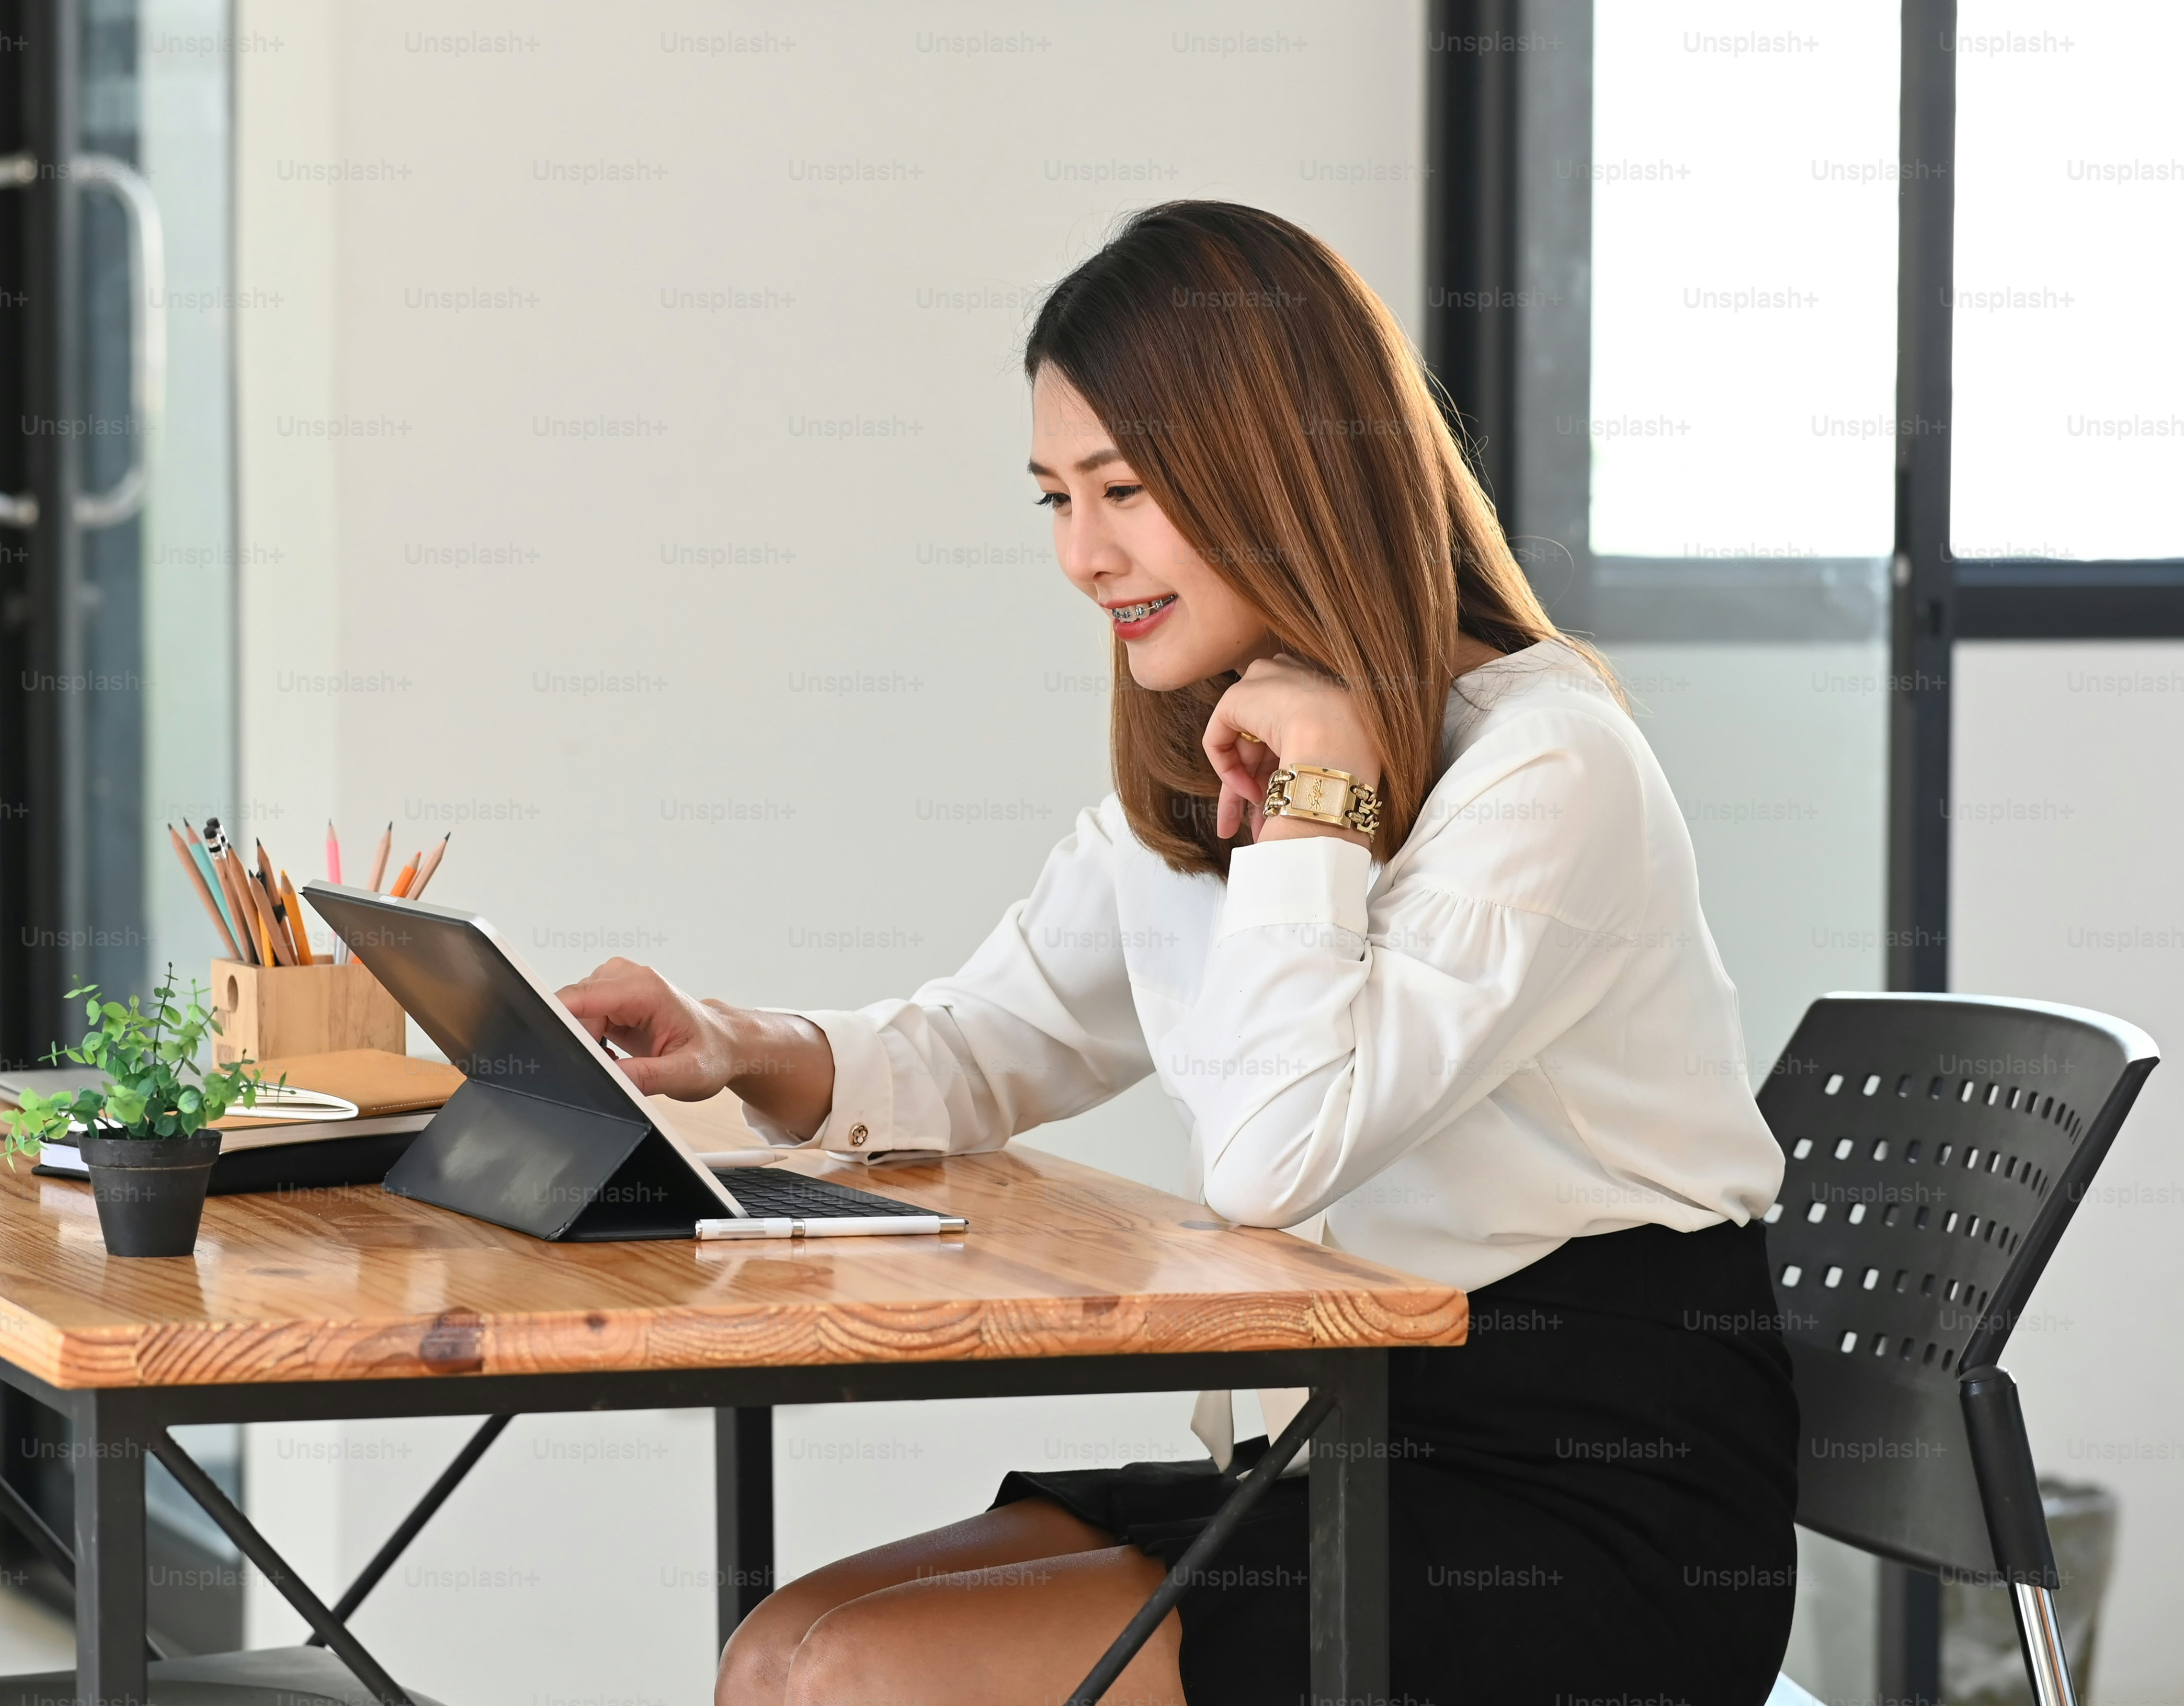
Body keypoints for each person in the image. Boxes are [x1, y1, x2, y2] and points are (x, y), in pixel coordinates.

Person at [556, 201, 1798, 1706]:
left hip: (1585, 1506)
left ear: (1280, 472)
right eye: (1054, 499)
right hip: (1343, 1451)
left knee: (855, 1676)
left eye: (1124, 490)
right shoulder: (1221, 743)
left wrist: (1320, 808)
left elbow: (1273, 1160)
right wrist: (741, 1043)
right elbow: (993, 1040)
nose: (1083, 556)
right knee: (782, 1650)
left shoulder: (1547, 768)